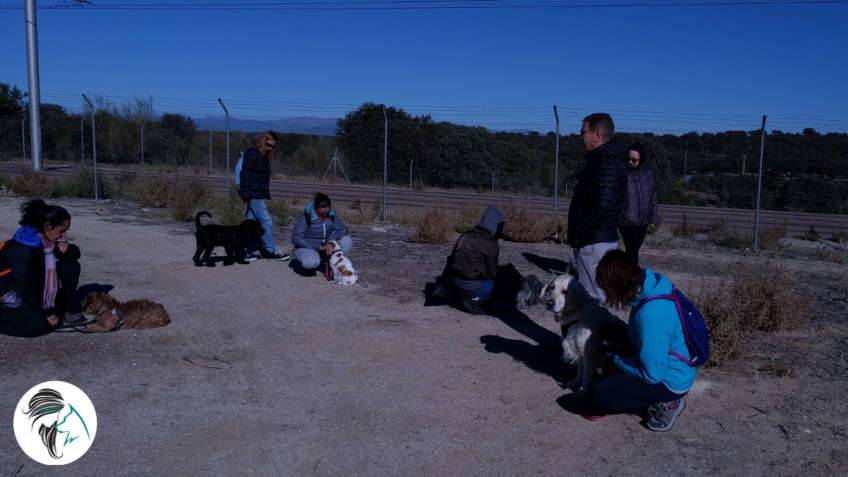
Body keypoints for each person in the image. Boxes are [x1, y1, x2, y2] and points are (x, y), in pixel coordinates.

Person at [588, 250, 696, 432]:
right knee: (610, 335)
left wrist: (616, 360)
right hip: (668, 361)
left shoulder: (651, 315)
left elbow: (653, 375)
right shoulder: (652, 286)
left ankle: (668, 403)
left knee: (599, 394)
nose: (606, 294)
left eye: (607, 289)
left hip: (670, 380)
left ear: (618, 286)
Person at [0, 199, 84, 337]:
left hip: (34, 290)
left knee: (70, 265)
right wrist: (47, 313)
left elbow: (75, 255)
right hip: (10, 291)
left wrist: (67, 249)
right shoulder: (24, 249)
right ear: (48, 226)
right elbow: (26, 287)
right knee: (40, 326)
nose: (64, 235)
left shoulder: (47, 241)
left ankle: (62, 306)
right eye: (61, 231)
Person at [567, 113, 628, 301]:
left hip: (594, 242)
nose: (580, 136)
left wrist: (580, 230)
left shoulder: (605, 162)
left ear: (597, 135)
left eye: (583, 131)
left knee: (594, 298)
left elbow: (603, 206)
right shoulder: (603, 159)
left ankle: (597, 331)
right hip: (596, 239)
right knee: (596, 295)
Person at [440, 206, 505, 315]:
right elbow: (492, 272)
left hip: (455, 283)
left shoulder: (465, 235)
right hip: (474, 286)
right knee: (498, 282)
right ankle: (477, 299)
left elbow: (452, 260)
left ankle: (462, 295)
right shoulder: (490, 242)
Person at [239, 130, 290, 261]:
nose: (270, 148)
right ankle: (270, 250)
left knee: (250, 223)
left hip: (258, 193)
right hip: (253, 193)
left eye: (273, 146)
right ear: (262, 141)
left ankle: (244, 250)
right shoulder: (252, 153)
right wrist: (245, 194)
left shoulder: (263, 154)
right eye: (268, 144)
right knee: (266, 221)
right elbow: (245, 174)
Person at [291, 193, 352, 272]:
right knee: (311, 263)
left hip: (327, 247)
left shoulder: (331, 214)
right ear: (316, 208)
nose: (326, 212)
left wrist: (331, 240)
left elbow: (343, 229)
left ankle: (335, 264)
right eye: (322, 209)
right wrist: (320, 247)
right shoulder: (305, 217)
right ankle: (307, 261)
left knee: (347, 240)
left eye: (327, 208)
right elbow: (296, 238)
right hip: (309, 247)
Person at [619, 143, 658, 265]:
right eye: (628, 159)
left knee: (633, 251)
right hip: (626, 221)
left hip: (643, 222)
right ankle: (632, 277)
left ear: (641, 160)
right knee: (632, 250)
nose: (630, 162)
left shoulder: (648, 175)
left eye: (634, 160)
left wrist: (653, 218)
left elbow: (653, 197)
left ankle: (627, 275)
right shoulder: (622, 175)